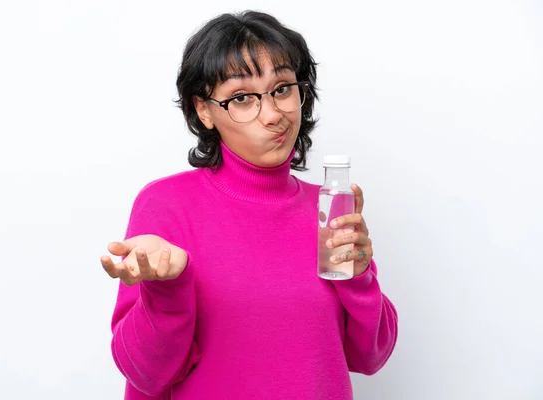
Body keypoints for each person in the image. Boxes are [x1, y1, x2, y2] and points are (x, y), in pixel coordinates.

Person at [100, 10, 398, 400]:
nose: (274, 114)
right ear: (204, 110)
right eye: (242, 98)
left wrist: (359, 276)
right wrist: (166, 290)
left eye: (282, 89)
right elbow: (145, 374)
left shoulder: (326, 208)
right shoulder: (165, 206)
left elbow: (370, 357)